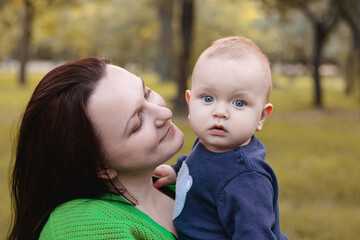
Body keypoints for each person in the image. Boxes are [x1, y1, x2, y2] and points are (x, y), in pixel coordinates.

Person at [8, 57, 184, 240]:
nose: (165, 113)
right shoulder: (81, 227)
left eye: (146, 93)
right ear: (100, 167)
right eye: (137, 123)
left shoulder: (186, 182)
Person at [154, 37, 290, 239]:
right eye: (208, 99)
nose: (220, 112)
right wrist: (177, 171)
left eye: (239, 103)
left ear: (261, 117)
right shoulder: (210, 142)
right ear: (190, 103)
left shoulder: (246, 180)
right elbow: (200, 164)